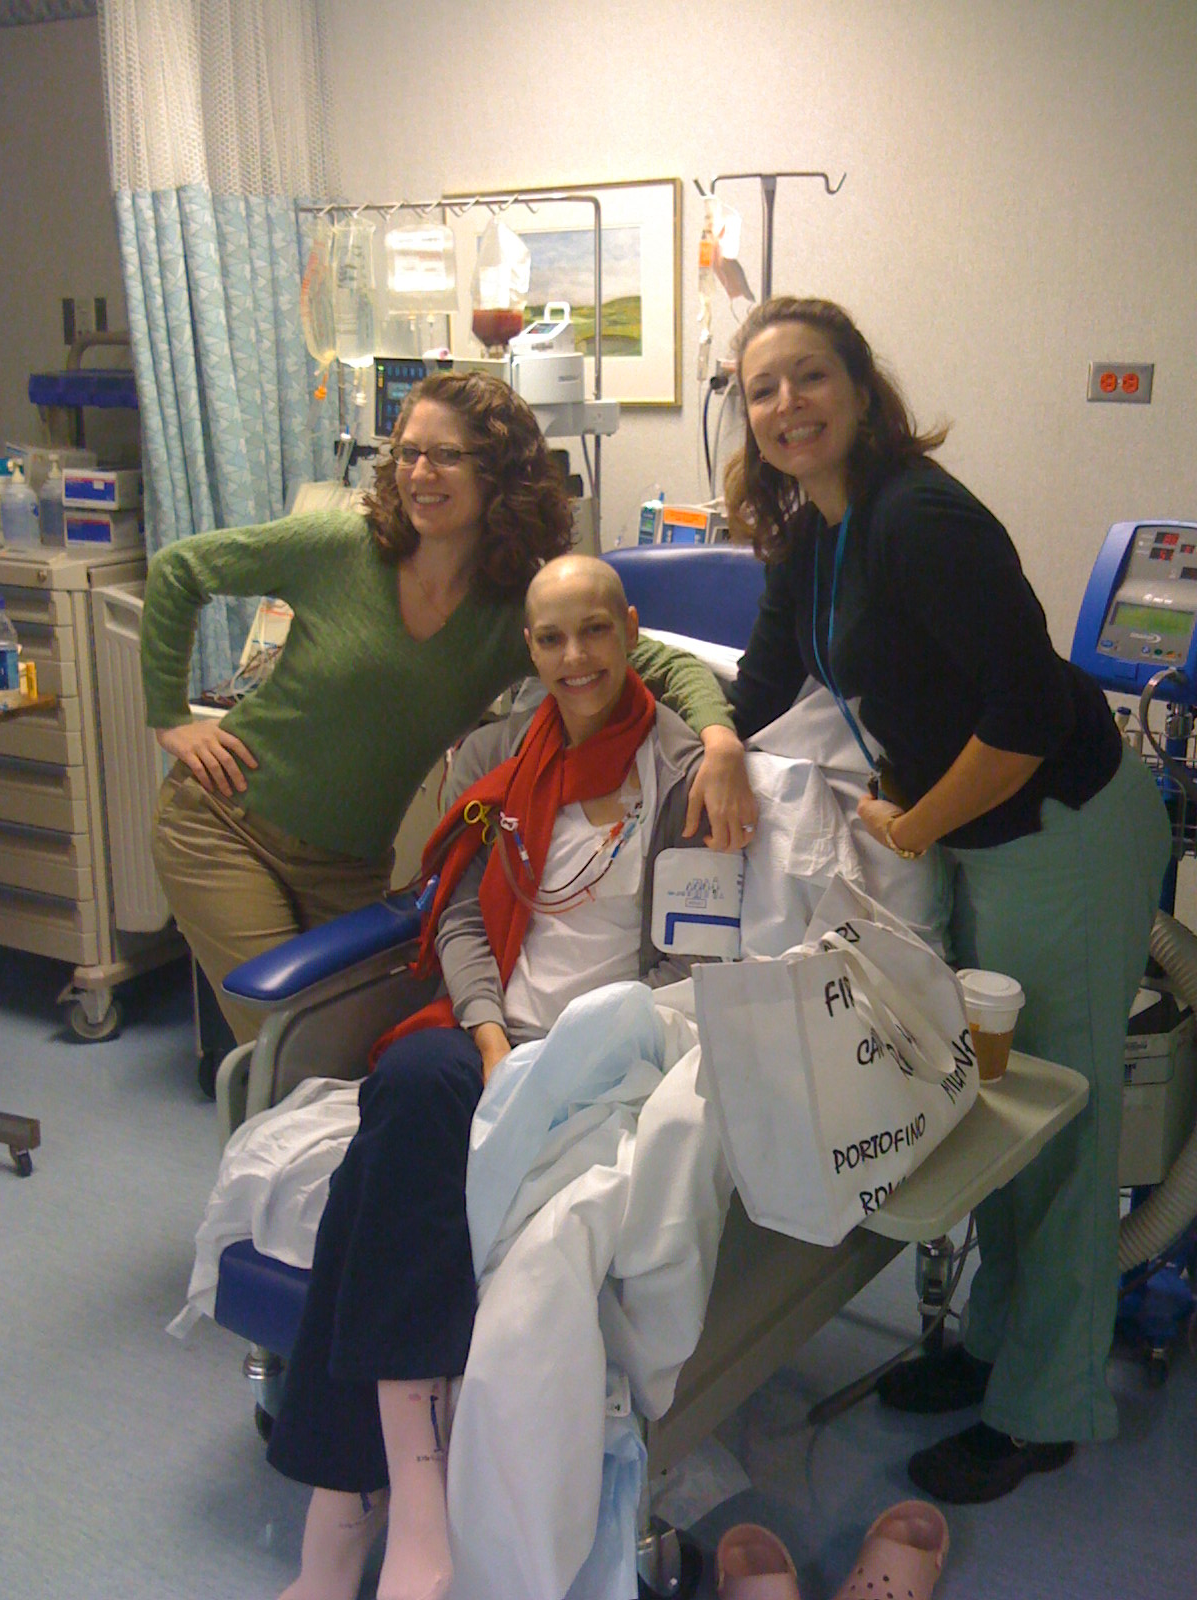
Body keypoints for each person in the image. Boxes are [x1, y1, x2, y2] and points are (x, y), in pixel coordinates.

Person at [723, 296, 1171, 1503]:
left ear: (864, 388)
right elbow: (763, 677)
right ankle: (988, 1344)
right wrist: (712, 750)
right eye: (762, 389)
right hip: (979, 840)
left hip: (1059, 830)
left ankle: (1045, 1403)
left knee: (1051, 1115)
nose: (786, 406)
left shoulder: (921, 518)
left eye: (809, 377)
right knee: (991, 1103)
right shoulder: (814, 534)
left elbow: (1025, 715)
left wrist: (913, 823)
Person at [264, 554, 713, 1600]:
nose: (573, 657)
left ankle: (341, 1513)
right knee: (407, 1095)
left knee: (370, 1188)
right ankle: (417, 1497)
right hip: (491, 1029)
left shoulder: (685, 770)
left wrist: (572, 1057)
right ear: (530, 647)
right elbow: (460, 913)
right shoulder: (500, 754)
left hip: (604, 1045)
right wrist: (486, 1032)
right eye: (551, 638)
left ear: (629, 628)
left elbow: (691, 957)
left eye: (594, 632)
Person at [142, 371, 755, 1044]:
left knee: (361, 1059)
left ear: (499, 472)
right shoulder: (338, 547)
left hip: (348, 866)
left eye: (445, 455)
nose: (419, 472)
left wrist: (720, 742)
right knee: (287, 1050)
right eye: (407, 452)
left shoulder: (510, 610)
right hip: (226, 828)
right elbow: (180, 570)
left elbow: (659, 663)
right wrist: (169, 718)